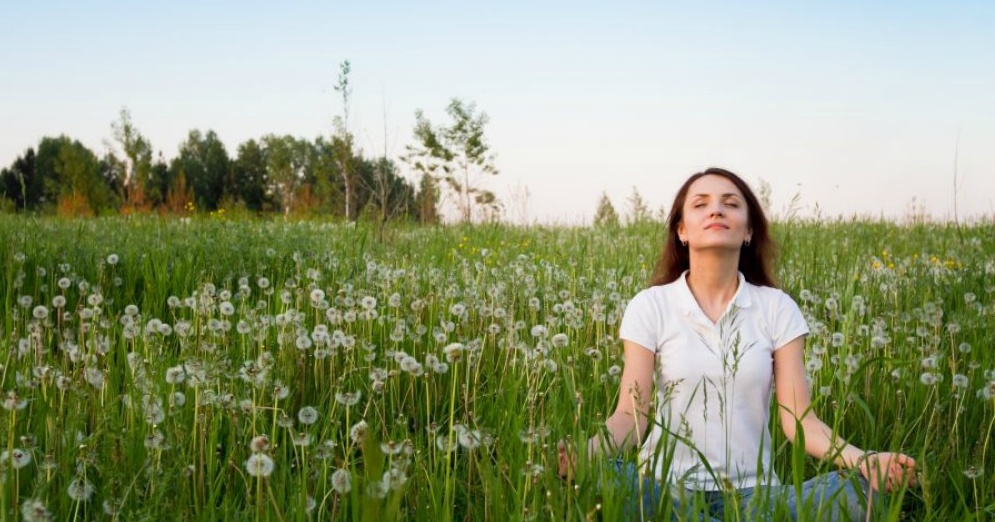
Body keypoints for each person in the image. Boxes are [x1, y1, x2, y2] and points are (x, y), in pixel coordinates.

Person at [558, 167, 917, 520]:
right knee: (604, 482)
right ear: (681, 230)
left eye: (730, 203)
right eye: (700, 204)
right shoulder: (651, 305)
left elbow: (801, 423)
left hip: (756, 497)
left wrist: (865, 460)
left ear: (748, 231)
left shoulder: (776, 308)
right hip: (664, 488)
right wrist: (584, 456)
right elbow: (631, 416)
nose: (716, 210)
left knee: (856, 494)